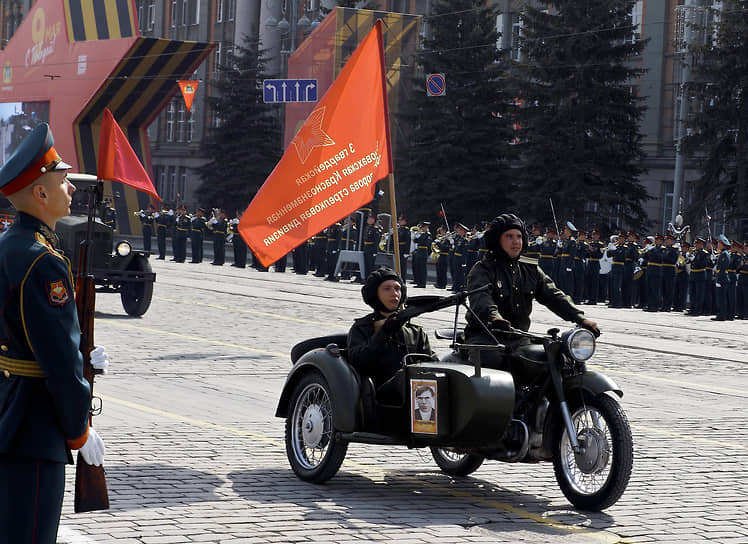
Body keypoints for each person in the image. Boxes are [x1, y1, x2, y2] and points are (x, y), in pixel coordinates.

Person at [0, 123, 109, 543]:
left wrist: (83, 353)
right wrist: (79, 428)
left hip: (10, 412)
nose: (72, 190)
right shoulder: (41, 261)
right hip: (34, 427)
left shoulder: (11, 247)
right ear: (40, 194)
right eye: (63, 181)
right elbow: (59, 364)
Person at [464, 213, 599, 370]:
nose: (516, 241)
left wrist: (580, 319)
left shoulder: (530, 269)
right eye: (509, 236)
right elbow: (481, 301)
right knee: (492, 370)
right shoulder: (483, 269)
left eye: (519, 236)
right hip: (486, 338)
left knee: (559, 362)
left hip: (519, 337)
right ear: (497, 240)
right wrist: (495, 318)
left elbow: (553, 295)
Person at [346, 268, 436, 406]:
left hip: (417, 396)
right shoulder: (362, 328)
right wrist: (385, 332)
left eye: (397, 288)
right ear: (375, 293)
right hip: (378, 396)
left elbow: (432, 363)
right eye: (387, 289)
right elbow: (359, 362)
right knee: (404, 376)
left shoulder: (415, 331)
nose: (394, 293)